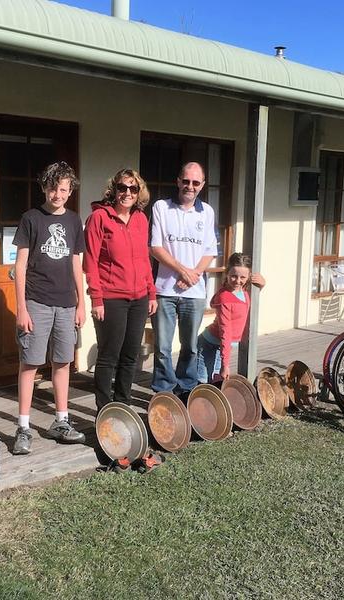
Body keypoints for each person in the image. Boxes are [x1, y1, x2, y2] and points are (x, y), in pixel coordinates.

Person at [11, 161, 86, 455]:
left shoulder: (73, 221)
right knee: (30, 363)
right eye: (54, 188)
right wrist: (21, 308)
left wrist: (82, 303)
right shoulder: (31, 218)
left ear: (70, 191)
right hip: (36, 301)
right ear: (45, 187)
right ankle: (24, 426)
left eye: (64, 189)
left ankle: (61, 421)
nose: (58, 194)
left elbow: (77, 264)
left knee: (63, 362)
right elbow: (19, 266)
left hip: (67, 303)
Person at [84, 169, 157, 409]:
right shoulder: (99, 218)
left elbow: (144, 260)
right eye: (122, 188)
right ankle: (105, 410)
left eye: (133, 189)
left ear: (139, 193)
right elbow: (91, 262)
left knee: (130, 356)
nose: (127, 193)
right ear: (114, 190)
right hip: (111, 297)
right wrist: (97, 299)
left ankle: (123, 406)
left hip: (139, 298)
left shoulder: (140, 219)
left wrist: (151, 293)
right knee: (108, 356)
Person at [149, 162, 218, 395]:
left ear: (202, 185)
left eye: (195, 182)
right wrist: (182, 271)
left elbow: (210, 251)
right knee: (163, 348)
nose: (190, 186)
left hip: (195, 292)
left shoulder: (207, 211)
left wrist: (193, 275)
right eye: (186, 181)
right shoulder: (161, 207)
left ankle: (186, 389)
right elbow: (156, 247)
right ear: (178, 181)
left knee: (190, 346)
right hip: (165, 290)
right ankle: (164, 392)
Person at [197, 252, 265, 383]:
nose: (238, 281)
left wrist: (262, 285)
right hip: (209, 344)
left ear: (249, 276)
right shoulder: (225, 298)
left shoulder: (244, 292)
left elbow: (247, 305)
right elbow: (225, 331)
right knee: (203, 381)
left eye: (243, 277)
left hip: (222, 347)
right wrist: (225, 365)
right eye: (233, 276)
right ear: (227, 273)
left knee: (216, 381)